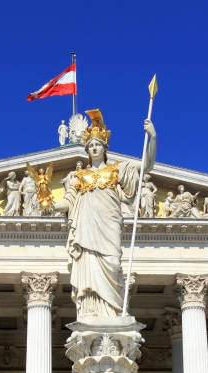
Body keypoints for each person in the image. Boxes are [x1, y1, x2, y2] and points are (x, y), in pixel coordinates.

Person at [54, 109, 156, 319]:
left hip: (109, 227)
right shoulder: (78, 176)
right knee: (88, 267)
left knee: (113, 264)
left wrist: (152, 137)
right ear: (87, 150)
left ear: (105, 147)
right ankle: (91, 312)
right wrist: (49, 203)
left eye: (97, 144)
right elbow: (68, 201)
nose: (94, 148)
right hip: (86, 229)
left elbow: (147, 165)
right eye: (90, 145)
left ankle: (113, 312)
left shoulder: (117, 170)